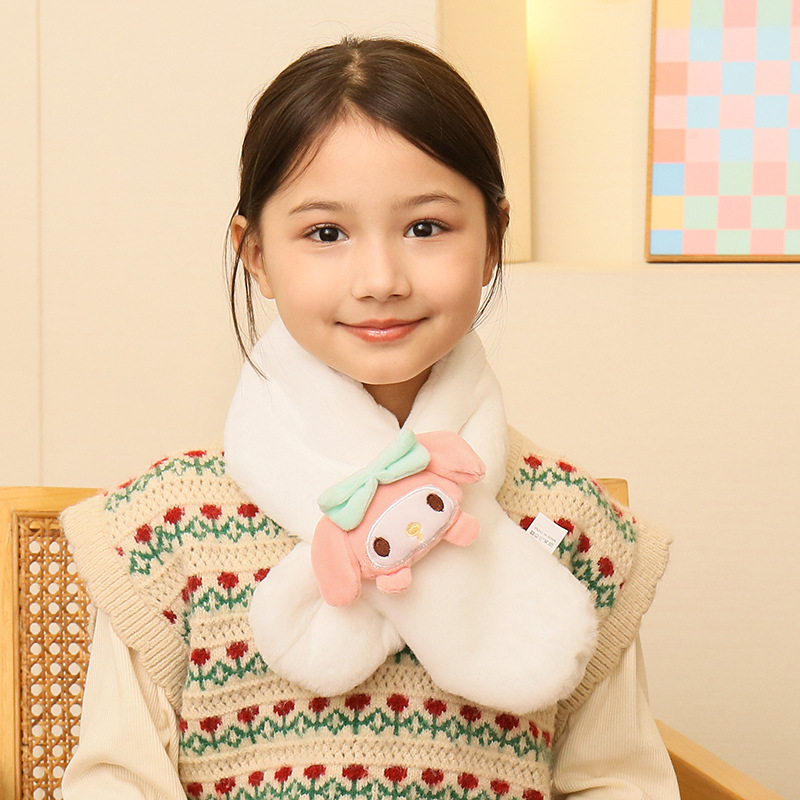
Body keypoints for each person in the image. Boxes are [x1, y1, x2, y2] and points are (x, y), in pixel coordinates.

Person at [61, 36, 679, 800]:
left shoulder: (570, 525)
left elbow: (619, 782)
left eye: (426, 227)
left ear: (493, 238)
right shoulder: (166, 530)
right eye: (326, 233)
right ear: (255, 253)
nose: (381, 279)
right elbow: (117, 782)